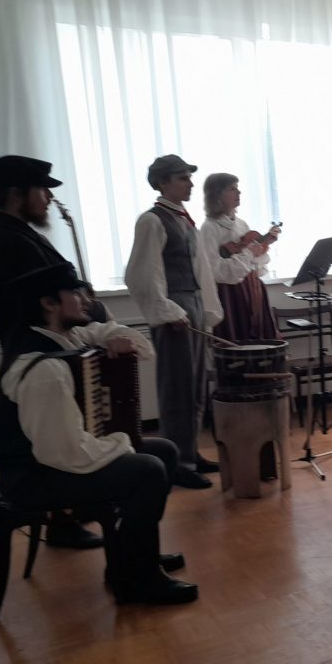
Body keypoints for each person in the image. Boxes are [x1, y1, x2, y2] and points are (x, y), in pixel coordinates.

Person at [0, 263, 196, 605]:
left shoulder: (64, 337)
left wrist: (114, 338)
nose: (86, 300)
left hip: (51, 461)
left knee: (164, 451)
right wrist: (122, 444)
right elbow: (64, 453)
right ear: (48, 303)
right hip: (34, 478)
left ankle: (132, 555)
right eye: (75, 293)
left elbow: (142, 347)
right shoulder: (46, 369)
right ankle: (136, 580)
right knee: (146, 469)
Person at [0, 155, 105, 550]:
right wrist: (85, 306)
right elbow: (42, 300)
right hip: (37, 354)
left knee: (64, 432)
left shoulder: (18, 233)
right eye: (41, 189)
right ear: (16, 193)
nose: (47, 197)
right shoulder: (6, 240)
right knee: (49, 441)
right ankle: (62, 520)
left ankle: (76, 509)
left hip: (46, 351)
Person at [125, 154, 223, 489]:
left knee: (195, 386)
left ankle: (190, 452)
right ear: (162, 182)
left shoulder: (185, 219)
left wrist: (206, 309)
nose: (190, 183)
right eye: (182, 178)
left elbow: (201, 270)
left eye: (189, 177)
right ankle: (177, 462)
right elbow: (141, 274)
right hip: (175, 310)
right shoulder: (152, 221)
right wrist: (168, 312)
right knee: (177, 389)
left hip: (192, 304)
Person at [198, 173, 282, 343]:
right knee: (237, 342)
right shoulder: (209, 228)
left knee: (260, 344)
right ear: (217, 195)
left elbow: (254, 263)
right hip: (230, 294)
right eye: (232, 189)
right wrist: (249, 254)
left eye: (237, 188)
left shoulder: (241, 224)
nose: (239, 192)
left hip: (252, 289)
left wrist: (261, 248)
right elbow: (215, 271)